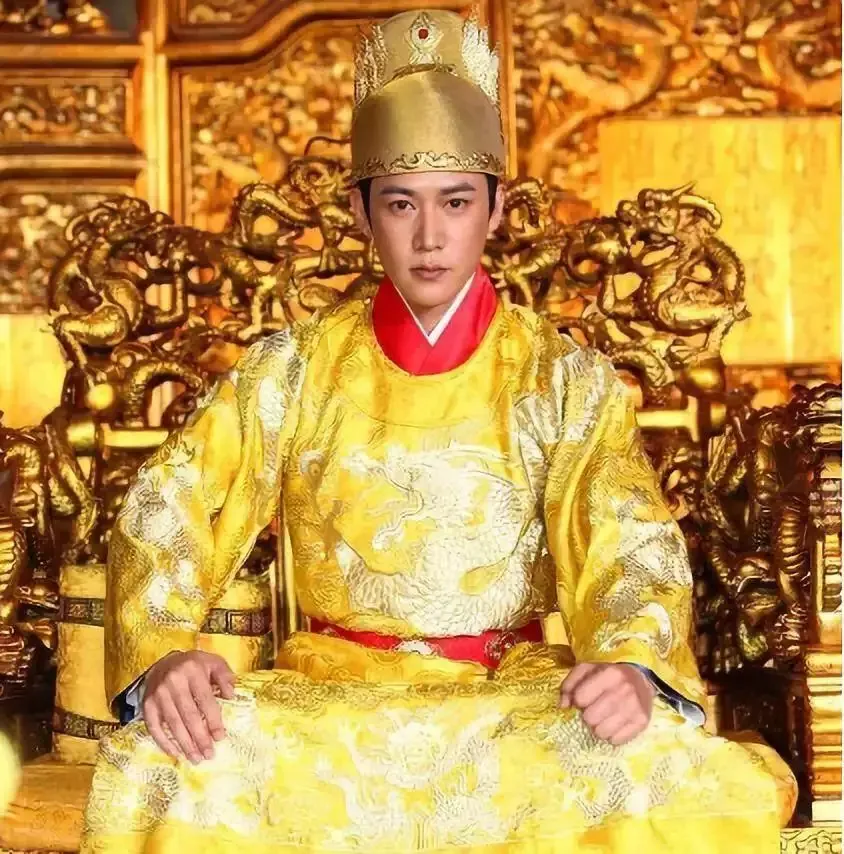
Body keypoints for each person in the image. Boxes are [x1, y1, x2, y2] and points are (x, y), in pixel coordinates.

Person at [81, 9, 796, 853]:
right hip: (330, 706)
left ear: (495, 209)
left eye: (456, 202)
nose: (429, 238)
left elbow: (627, 539)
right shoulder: (291, 370)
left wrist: (631, 664)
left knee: (657, 764)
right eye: (400, 205)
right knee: (174, 764)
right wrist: (164, 652)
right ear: (361, 212)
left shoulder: (563, 379)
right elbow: (170, 504)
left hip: (510, 702)